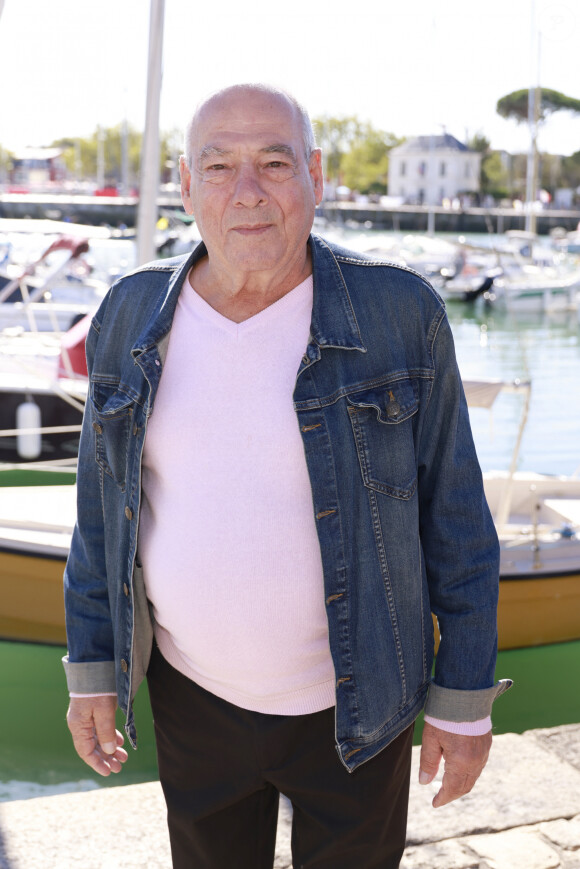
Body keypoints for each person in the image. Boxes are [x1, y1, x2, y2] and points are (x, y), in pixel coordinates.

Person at [64, 83, 511, 869]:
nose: (248, 191)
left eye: (274, 162)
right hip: (192, 697)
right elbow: (100, 515)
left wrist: (464, 703)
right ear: (184, 183)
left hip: (363, 704)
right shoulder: (129, 315)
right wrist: (94, 669)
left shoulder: (399, 313)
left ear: (315, 174)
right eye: (220, 164)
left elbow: (459, 521)